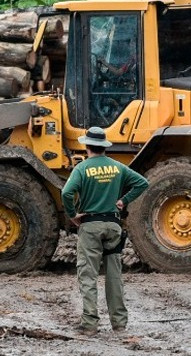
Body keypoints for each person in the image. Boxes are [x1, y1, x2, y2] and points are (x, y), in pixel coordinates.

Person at [61, 126, 149, 335]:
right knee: (114, 276)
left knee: (88, 274)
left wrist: (72, 214)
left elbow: (66, 192)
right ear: (104, 146)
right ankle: (119, 323)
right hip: (113, 226)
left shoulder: (82, 169)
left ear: (87, 145)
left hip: (90, 226)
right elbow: (142, 183)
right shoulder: (117, 167)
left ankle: (90, 324)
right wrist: (123, 201)